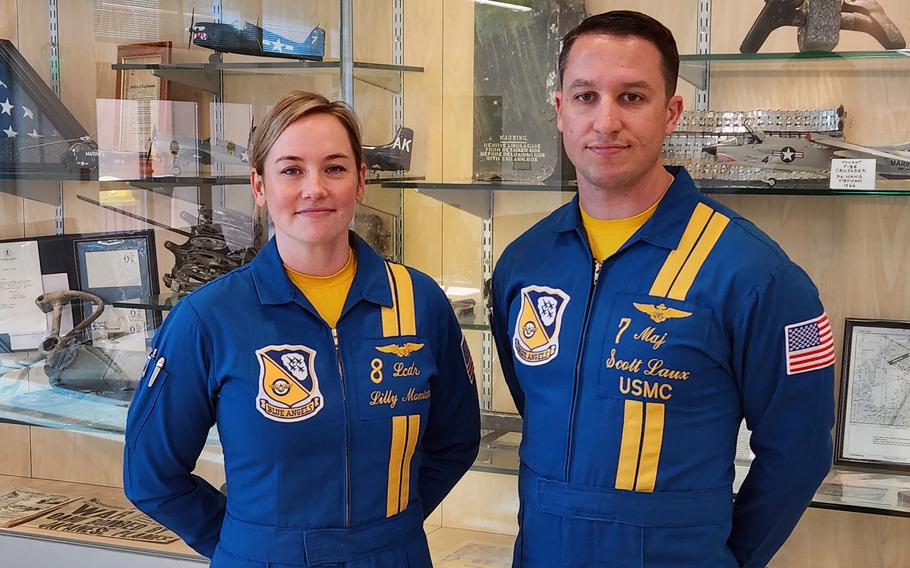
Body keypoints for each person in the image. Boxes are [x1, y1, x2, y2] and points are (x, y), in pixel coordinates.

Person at [489, 11, 834, 568]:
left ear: (672, 111)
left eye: (631, 97)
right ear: (559, 111)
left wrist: (724, 556)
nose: (605, 122)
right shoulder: (523, 264)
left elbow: (800, 451)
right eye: (584, 96)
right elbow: (536, 400)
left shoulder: (757, 275)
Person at [124, 91, 480, 567]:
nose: (315, 188)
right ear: (259, 185)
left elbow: (455, 442)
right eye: (291, 169)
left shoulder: (418, 303)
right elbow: (151, 476)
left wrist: (386, 532)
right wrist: (244, 544)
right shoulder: (207, 318)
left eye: (334, 168)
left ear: (361, 181)